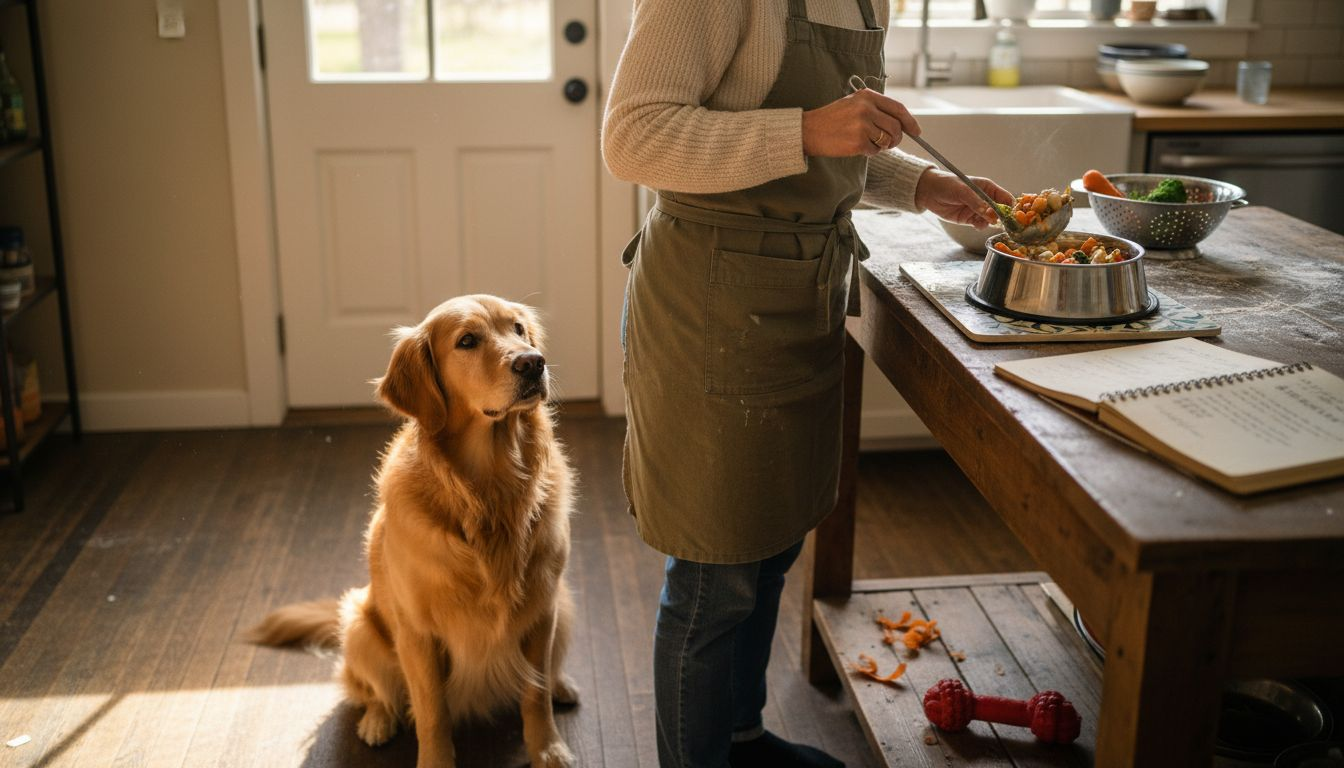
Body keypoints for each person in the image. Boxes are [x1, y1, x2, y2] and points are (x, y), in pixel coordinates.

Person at [602, 1, 1012, 766]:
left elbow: (833, 140)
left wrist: (920, 184)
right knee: (713, 574)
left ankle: (740, 737)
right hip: (711, 300)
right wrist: (804, 129)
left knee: (771, 543)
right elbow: (633, 138)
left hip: (802, 292)